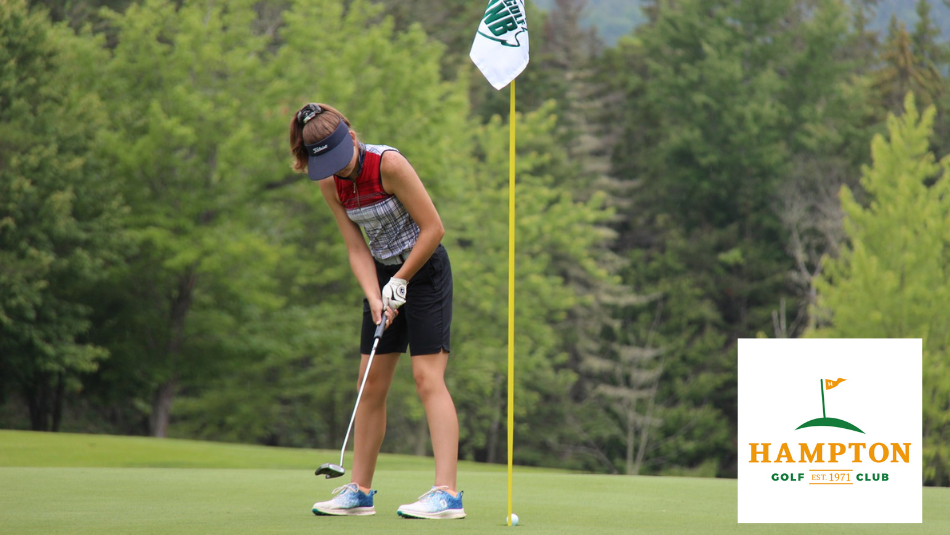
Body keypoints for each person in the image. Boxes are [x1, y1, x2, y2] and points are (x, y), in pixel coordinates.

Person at [289, 103, 464, 520]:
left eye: (340, 157)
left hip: (424, 271)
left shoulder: (389, 165)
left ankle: (447, 494)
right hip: (382, 276)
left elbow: (434, 227)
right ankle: (360, 491)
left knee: (426, 377)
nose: (339, 169)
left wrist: (402, 278)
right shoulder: (331, 185)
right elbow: (355, 247)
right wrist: (373, 294)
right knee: (369, 382)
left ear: (351, 137)